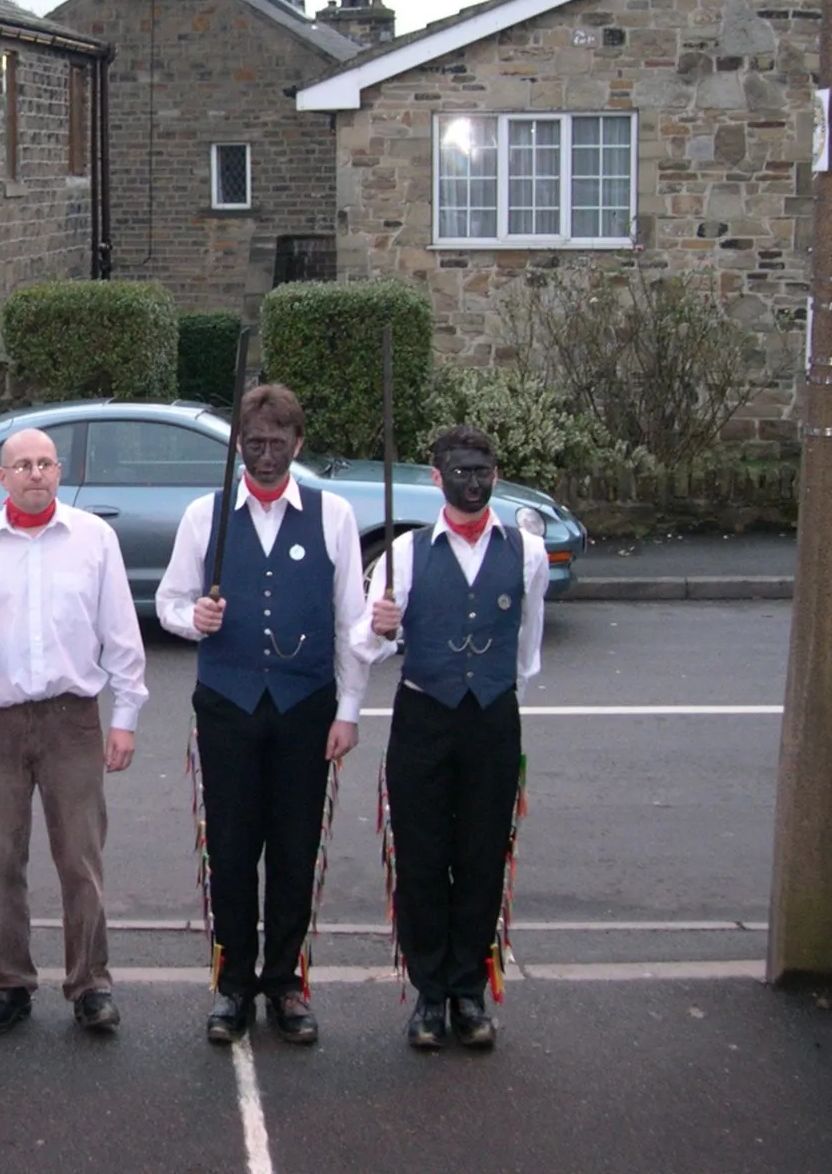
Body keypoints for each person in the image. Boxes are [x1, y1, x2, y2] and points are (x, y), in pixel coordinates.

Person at [155, 383, 371, 1046]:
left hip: (306, 706)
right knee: (231, 847)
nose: (266, 455)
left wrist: (351, 709)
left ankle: (285, 982)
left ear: (298, 444)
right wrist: (195, 618)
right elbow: (167, 603)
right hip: (228, 705)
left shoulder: (333, 516)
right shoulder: (204, 516)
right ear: (239, 446)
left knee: (295, 849)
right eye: (254, 444)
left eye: (278, 443)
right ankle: (233, 985)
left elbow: (351, 620)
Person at [0, 426, 146, 1036]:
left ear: (58, 471)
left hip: (72, 720)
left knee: (81, 859)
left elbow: (122, 635)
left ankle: (90, 983)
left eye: (46, 463)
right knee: (0, 862)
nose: (36, 474)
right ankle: (8, 984)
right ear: (3, 478)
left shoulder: (93, 539)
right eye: (22, 465)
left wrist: (124, 717)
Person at [360, 424, 548, 1052]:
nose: (474, 482)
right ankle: (429, 993)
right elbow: (367, 646)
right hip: (423, 719)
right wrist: (384, 628)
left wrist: (494, 687)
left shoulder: (528, 552)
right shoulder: (406, 554)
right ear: (435, 477)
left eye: (483, 471)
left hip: (492, 718)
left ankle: (470, 989)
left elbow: (527, 645)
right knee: (419, 857)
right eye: (460, 471)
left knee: (481, 854)